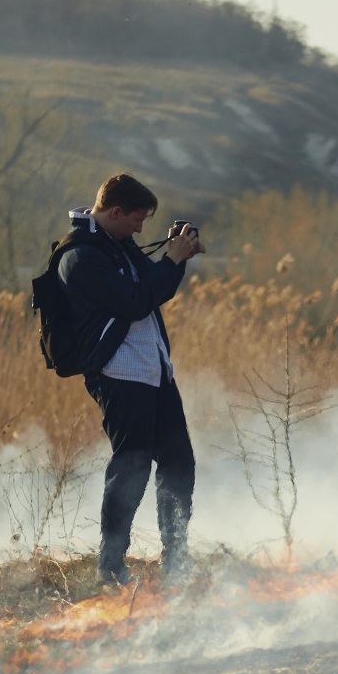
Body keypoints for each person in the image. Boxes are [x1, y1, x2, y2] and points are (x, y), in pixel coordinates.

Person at [57, 172, 206, 585]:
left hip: (154, 370)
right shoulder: (80, 257)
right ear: (116, 211)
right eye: (137, 220)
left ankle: (176, 559)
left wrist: (180, 254)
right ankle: (110, 565)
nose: (142, 228)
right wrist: (171, 259)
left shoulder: (119, 245)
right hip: (119, 374)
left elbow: (154, 289)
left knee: (179, 465)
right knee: (132, 467)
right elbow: (136, 301)